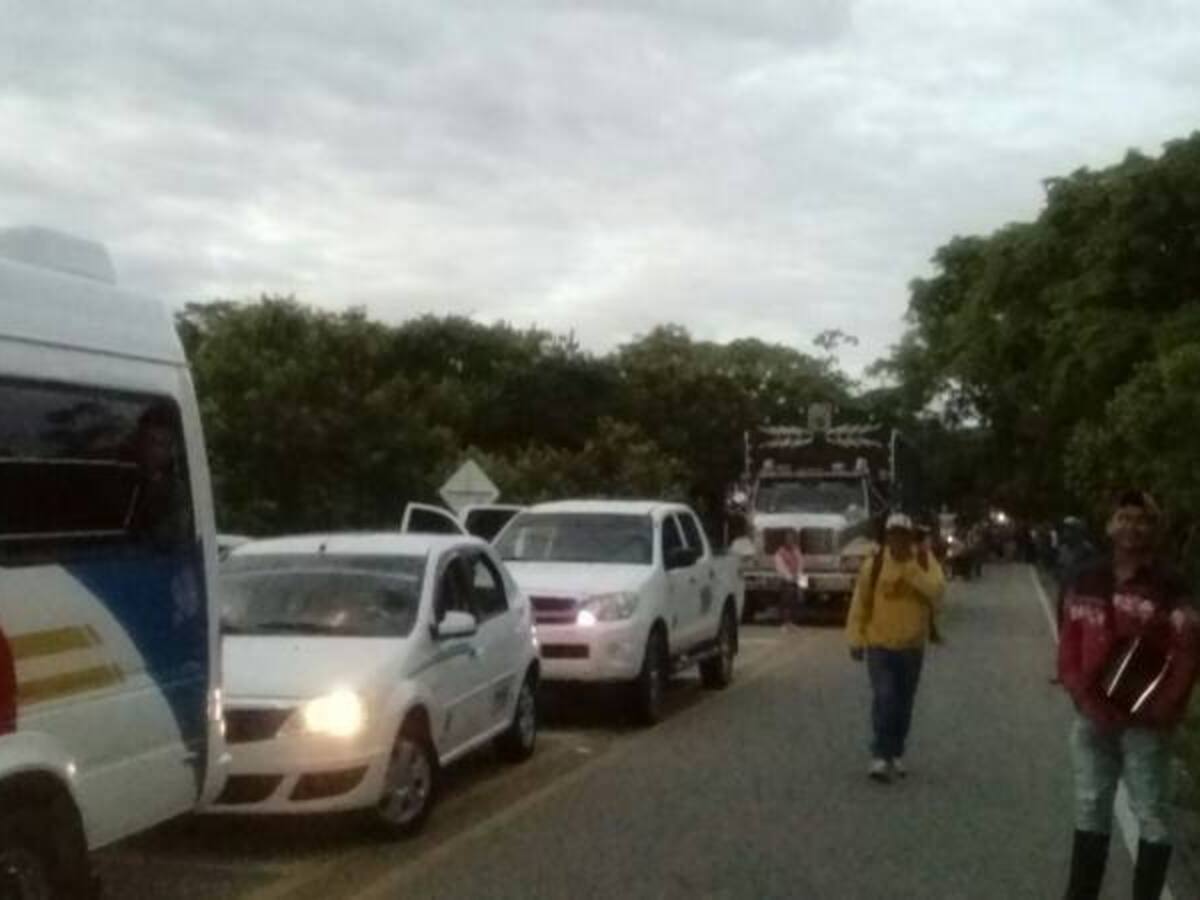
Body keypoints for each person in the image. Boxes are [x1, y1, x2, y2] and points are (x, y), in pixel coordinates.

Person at [1058, 490, 1200, 900]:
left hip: (1146, 724)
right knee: (1089, 808)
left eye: (1141, 519)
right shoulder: (1084, 578)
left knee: (1151, 815)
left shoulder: (1170, 587)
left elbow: (1187, 651)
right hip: (1092, 716)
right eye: (1123, 517)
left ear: (1153, 529)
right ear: (1109, 525)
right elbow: (1069, 639)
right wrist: (1078, 691)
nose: (1131, 527)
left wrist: (1164, 706)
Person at [846, 513, 946, 782]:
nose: (898, 540)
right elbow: (860, 603)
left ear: (910, 538)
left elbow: (937, 591)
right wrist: (855, 639)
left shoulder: (924, 562)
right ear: (887, 537)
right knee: (884, 696)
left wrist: (911, 571)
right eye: (893, 535)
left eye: (903, 535)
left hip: (912, 646)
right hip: (880, 645)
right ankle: (880, 755)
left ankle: (896, 750)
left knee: (903, 703)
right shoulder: (874, 565)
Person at [773, 530, 804, 623]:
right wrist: (790, 578)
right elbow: (780, 567)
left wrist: (801, 583)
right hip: (786, 580)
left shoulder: (797, 550)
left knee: (798, 601)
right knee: (786, 601)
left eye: (791, 539)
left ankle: (794, 622)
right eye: (788, 538)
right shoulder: (779, 552)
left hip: (797, 579)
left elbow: (801, 565)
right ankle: (785, 622)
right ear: (784, 540)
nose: (790, 540)